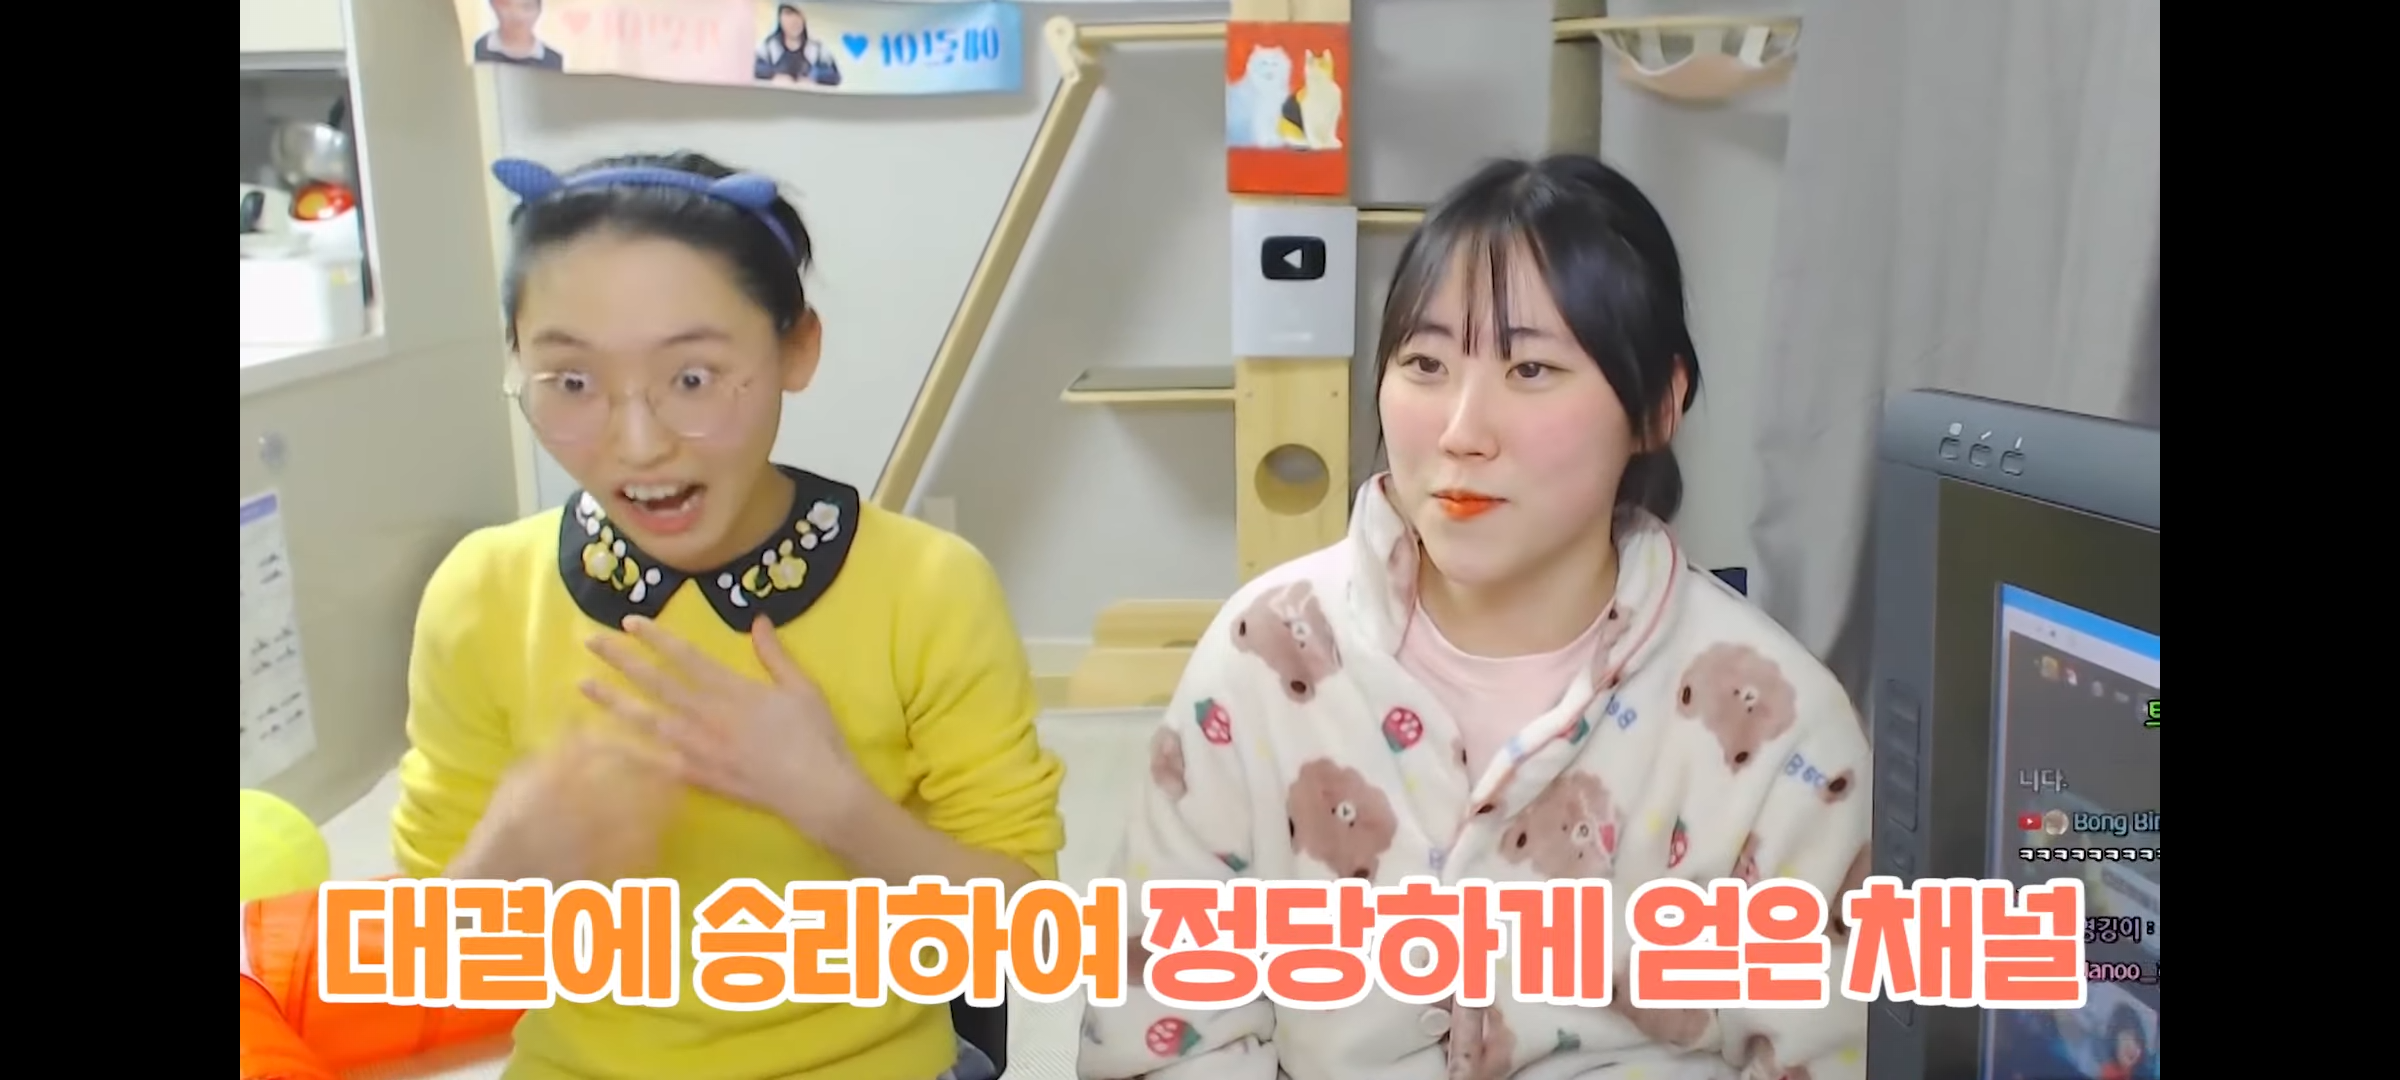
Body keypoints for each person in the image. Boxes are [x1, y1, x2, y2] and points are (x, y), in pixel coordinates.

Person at [1076, 156, 1871, 1080]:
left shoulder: (1779, 728)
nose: (1461, 430)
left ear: (1658, 405)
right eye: (1425, 364)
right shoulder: (1264, 656)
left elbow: (1828, 1054)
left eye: (1531, 368)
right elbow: (1161, 1028)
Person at [390, 151, 1063, 1080]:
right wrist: (500, 865)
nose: (638, 443)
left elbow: (1027, 938)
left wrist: (838, 807)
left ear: (797, 349)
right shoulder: (482, 593)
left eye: (695, 378)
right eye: (573, 382)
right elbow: (414, 981)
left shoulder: (929, 588)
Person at [754, 5, 842, 86]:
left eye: (798, 14)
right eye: (788, 14)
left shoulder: (817, 48)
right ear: (780, 18)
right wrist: (774, 75)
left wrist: (813, 78)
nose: (793, 20)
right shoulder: (768, 46)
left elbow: (834, 76)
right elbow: (754, 68)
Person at [473, 0, 566, 71]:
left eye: (526, 7)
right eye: (507, 5)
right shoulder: (478, 48)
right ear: (493, 5)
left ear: (539, 11)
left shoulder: (553, 60)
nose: (517, 15)